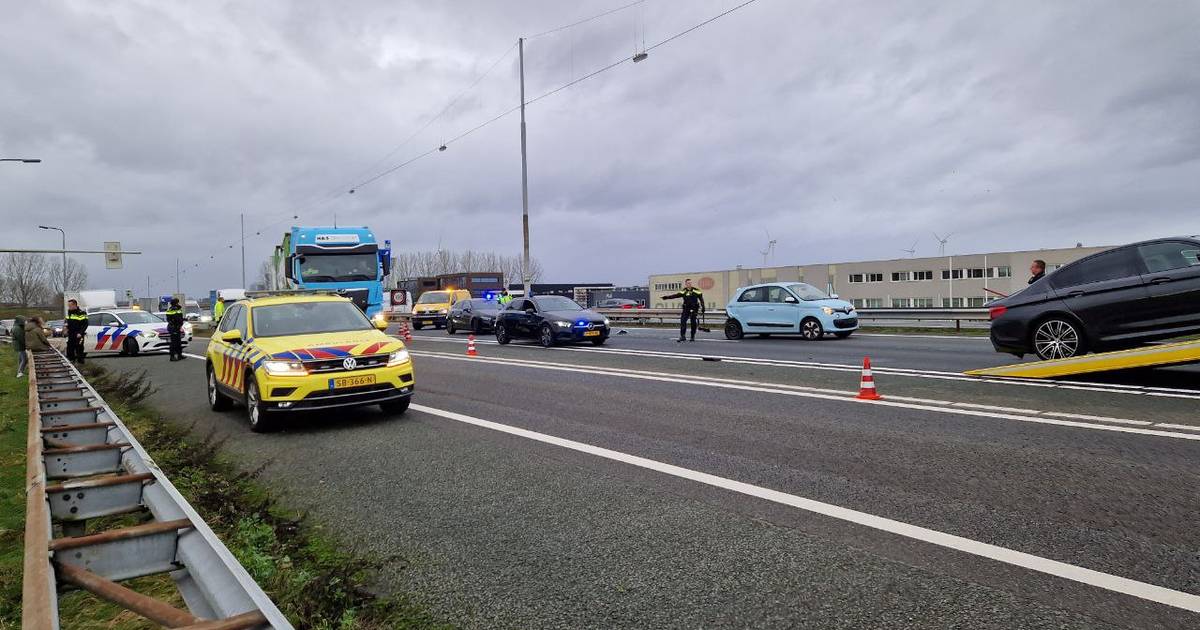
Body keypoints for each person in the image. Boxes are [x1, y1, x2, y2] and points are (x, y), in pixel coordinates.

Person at [65, 299, 89, 364]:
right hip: (71, 334)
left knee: (79, 349)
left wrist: (80, 333)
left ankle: (81, 363)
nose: (69, 307)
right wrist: (66, 327)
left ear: (74, 305)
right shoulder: (69, 313)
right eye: (68, 306)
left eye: (70, 305)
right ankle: (71, 361)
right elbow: (66, 322)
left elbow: (85, 324)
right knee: (69, 349)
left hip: (79, 335)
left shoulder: (81, 313)